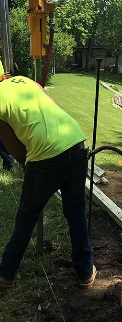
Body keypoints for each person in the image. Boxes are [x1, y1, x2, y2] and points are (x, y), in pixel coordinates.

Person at [0, 72, 96, 289]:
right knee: (76, 211)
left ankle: (7, 273)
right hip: (75, 141)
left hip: (45, 155)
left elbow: (12, 146)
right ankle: (85, 272)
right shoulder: (25, 81)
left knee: (27, 215)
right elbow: (54, 107)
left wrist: (27, 163)